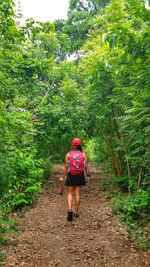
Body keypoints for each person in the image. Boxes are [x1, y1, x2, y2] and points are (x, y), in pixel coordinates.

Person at [59, 137, 90, 221]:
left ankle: (69, 209)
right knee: (77, 194)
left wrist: (62, 176)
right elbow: (86, 166)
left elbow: (66, 166)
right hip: (79, 175)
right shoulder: (83, 155)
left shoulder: (68, 154)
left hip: (70, 175)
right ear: (80, 145)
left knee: (69, 193)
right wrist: (88, 175)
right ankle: (76, 213)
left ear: (72, 144)